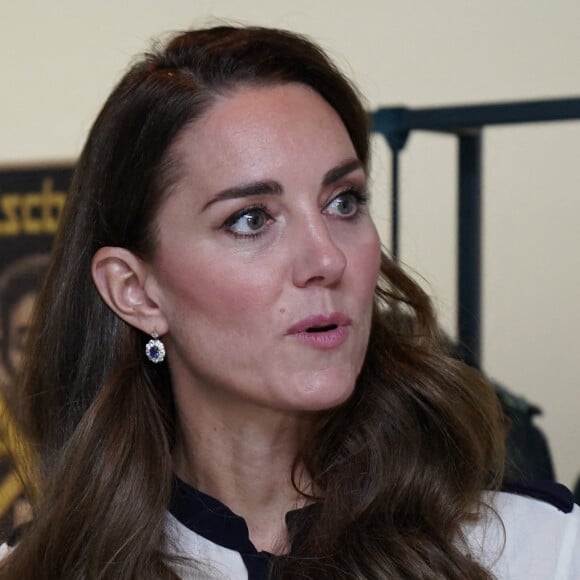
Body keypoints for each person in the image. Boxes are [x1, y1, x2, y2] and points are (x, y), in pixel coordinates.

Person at [0, 25, 578, 580]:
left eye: (344, 201)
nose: (326, 258)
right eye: (251, 219)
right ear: (136, 290)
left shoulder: (538, 552)